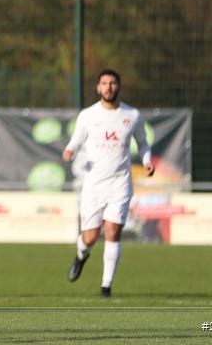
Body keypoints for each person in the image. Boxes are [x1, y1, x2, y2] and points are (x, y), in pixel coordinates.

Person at [62, 69, 154, 298]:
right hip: (93, 185)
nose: (109, 87)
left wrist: (147, 161)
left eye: (112, 83)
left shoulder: (132, 115)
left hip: (120, 184)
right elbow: (75, 141)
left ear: (119, 86)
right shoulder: (88, 115)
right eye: (104, 83)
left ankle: (106, 287)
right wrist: (69, 151)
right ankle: (81, 255)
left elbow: (143, 143)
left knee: (113, 231)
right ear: (98, 88)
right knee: (91, 237)